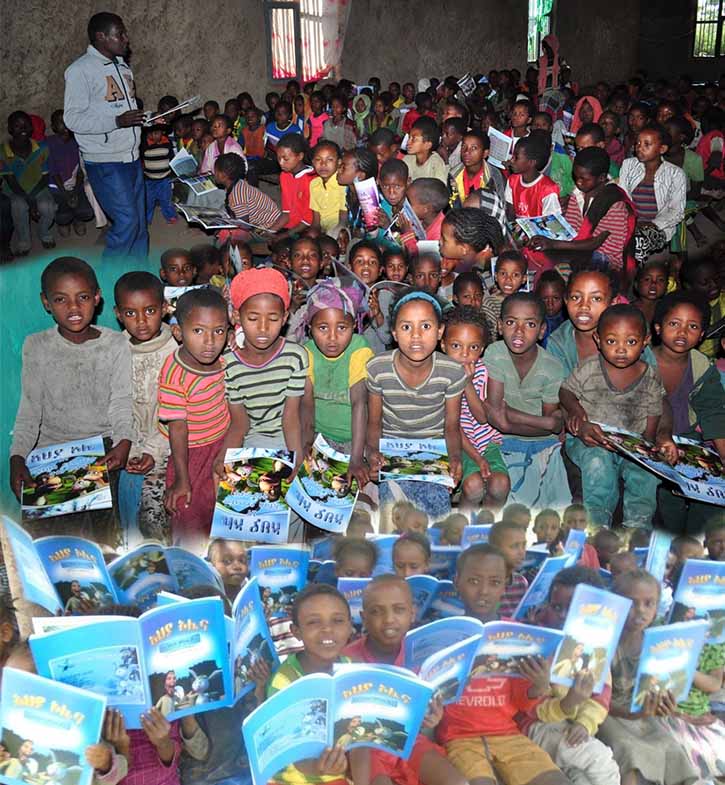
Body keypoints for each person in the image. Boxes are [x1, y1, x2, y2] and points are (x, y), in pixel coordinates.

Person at [10, 256, 132, 545]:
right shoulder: (36, 346)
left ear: (97, 298)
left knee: (97, 538)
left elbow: (122, 401)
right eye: (61, 299)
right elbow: (29, 410)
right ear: (46, 302)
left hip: (101, 449)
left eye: (83, 297)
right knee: (45, 542)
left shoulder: (116, 344)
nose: (74, 308)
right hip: (49, 453)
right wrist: (17, 458)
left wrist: (124, 441)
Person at [440, 543, 568, 785]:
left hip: (508, 734)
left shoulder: (518, 636)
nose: (484, 591)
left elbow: (523, 702)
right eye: (474, 581)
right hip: (459, 738)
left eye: (495, 582)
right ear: (457, 581)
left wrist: (539, 686)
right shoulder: (443, 635)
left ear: (506, 584)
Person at [560, 304, 677, 529]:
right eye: (612, 341)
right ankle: (597, 523)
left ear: (645, 341)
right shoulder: (589, 368)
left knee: (646, 474)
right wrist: (576, 412)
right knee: (598, 464)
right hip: (591, 441)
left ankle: (637, 525)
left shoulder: (650, 377)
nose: (621, 349)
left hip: (630, 444)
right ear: (598, 339)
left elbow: (655, 413)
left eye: (631, 342)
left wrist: (652, 445)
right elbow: (565, 392)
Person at [343, 575, 468, 785]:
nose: (389, 619)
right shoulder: (348, 658)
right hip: (366, 748)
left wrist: (433, 718)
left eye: (398, 609)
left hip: (410, 740)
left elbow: (430, 709)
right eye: (376, 611)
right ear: (363, 618)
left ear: (412, 613)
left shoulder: (424, 658)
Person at [366, 291, 467, 523]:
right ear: (393, 333)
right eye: (406, 327)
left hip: (434, 453)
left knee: (436, 521)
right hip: (392, 453)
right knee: (394, 518)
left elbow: (451, 426)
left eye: (425, 326)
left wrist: (454, 458)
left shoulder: (451, 372)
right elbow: (374, 422)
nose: (416, 336)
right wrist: (372, 453)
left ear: (440, 331)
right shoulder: (378, 368)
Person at [520, 566, 620, 785]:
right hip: (538, 726)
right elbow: (532, 707)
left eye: (575, 609)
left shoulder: (595, 647)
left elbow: (600, 699)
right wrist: (567, 702)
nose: (564, 615)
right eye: (557, 607)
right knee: (600, 759)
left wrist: (585, 723)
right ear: (547, 605)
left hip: (574, 729)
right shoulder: (537, 643)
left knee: (580, 778)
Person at [598, 570, 698, 785]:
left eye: (649, 603)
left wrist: (665, 703)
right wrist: (632, 714)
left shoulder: (657, 645)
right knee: (626, 747)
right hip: (607, 713)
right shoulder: (604, 643)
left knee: (670, 745)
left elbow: (660, 687)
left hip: (642, 713)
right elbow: (597, 700)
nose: (640, 611)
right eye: (631, 603)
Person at [63, 12, 148, 258]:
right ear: (101, 37)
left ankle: (140, 281)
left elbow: (124, 111)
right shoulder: (80, 70)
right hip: (106, 160)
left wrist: (148, 117)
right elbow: (73, 118)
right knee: (127, 222)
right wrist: (116, 122)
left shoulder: (122, 67)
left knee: (140, 225)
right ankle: (110, 280)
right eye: (119, 34)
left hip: (131, 156)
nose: (126, 38)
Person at [214, 267, 307, 486]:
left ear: (285, 318)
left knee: (287, 496)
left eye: (273, 318)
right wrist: (224, 456)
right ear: (237, 316)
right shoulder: (229, 363)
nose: (263, 328)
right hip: (252, 439)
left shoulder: (295, 356)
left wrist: (296, 456)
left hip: (289, 437)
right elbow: (239, 423)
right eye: (253, 318)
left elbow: (291, 418)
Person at [483, 293, 570, 510]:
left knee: (553, 504)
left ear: (542, 331)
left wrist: (511, 421)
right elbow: (495, 413)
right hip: (499, 440)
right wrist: (545, 422)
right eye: (511, 322)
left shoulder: (552, 366)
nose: (519, 331)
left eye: (530, 324)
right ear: (500, 326)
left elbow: (551, 431)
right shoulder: (494, 353)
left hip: (540, 443)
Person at [158, 288, 230, 550]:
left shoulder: (226, 360)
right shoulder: (174, 372)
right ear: (178, 333)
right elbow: (178, 428)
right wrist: (182, 478)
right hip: (189, 452)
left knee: (223, 513)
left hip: (224, 444)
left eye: (218, 331)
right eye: (198, 331)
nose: (209, 342)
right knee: (187, 511)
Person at [651, 292, 725, 531]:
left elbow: (713, 413)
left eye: (692, 326)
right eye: (674, 324)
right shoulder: (639, 361)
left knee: (711, 498)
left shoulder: (703, 368)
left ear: (702, 335)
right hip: (647, 438)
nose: (682, 332)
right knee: (665, 499)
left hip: (688, 441)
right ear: (658, 328)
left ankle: (693, 546)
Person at [265, 584, 352, 785]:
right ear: (296, 631)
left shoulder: (352, 670)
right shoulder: (285, 682)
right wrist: (321, 768)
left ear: (349, 626)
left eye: (337, 621)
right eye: (313, 622)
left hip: (338, 775)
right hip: (292, 779)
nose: (327, 629)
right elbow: (292, 754)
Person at [114, 271, 176, 547]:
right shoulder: (114, 351)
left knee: (153, 517)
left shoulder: (178, 349)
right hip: (129, 447)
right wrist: (125, 447)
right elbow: (116, 407)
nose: (140, 321)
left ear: (164, 308)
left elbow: (176, 413)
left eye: (150, 310)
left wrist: (152, 451)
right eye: (130, 313)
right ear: (118, 314)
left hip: (168, 447)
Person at [529, 148, 637, 284]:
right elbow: (571, 231)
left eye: (584, 179)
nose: (578, 182)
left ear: (602, 178)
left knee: (557, 266)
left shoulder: (614, 202)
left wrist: (553, 243)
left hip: (606, 258)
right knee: (535, 252)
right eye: (576, 177)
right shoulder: (577, 194)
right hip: (580, 249)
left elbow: (594, 243)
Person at [441, 306, 511, 513]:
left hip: (487, 441)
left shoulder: (482, 371)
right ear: (443, 345)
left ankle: (488, 529)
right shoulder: (440, 375)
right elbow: (452, 427)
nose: (464, 354)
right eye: (456, 345)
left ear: (481, 349)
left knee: (500, 485)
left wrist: (467, 383)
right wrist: (477, 458)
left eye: (473, 347)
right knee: (473, 486)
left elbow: (482, 417)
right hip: (458, 444)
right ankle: (461, 528)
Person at [303, 280, 373, 486]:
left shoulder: (359, 349)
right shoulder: (307, 352)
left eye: (342, 327)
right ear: (309, 327)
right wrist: (306, 443)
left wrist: (356, 458)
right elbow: (307, 404)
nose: (332, 338)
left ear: (354, 326)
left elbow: (359, 404)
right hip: (320, 437)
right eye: (322, 328)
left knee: (361, 489)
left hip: (356, 438)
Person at [618, 125, 687, 264]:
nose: (639, 147)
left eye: (647, 144)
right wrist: (628, 222)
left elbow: (676, 211)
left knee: (637, 243)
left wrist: (651, 224)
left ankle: (634, 274)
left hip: (658, 227)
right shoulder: (628, 164)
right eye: (637, 143)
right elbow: (622, 197)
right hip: (630, 221)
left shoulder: (675, 174)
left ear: (662, 149)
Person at [1, 110, 57, 254]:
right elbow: (11, 181)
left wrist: (34, 199)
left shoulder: (41, 148)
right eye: (17, 126)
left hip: (38, 186)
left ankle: (43, 233)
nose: (23, 129)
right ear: (10, 129)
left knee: (47, 206)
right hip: (15, 190)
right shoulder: (3, 152)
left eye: (26, 125)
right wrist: (31, 203)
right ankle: (24, 240)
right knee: (19, 206)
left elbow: (45, 177)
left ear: (31, 128)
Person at [45, 109, 95, 237]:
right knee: (63, 215)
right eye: (61, 122)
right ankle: (64, 223)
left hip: (75, 185)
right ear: (53, 127)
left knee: (87, 212)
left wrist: (75, 190)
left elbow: (80, 171)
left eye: (68, 120)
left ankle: (77, 219)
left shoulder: (77, 141)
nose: (66, 125)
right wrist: (66, 194)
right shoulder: (49, 144)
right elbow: (53, 173)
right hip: (57, 187)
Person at [505, 131, 561, 221]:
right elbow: (510, 215)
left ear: (531, 162)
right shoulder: (512, 181)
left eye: (516, 157)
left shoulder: (548, 189)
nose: (511, 160)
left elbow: (551, 223)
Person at [482, 251, 528, 340]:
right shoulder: (490, 303)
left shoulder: (526, 303)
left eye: (515, 275)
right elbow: (489, 335)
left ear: (524, 279)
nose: (508, 279)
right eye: (503, 273)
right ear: (495, 276)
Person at [275, 133, 315, 236]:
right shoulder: (284, 175)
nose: (281, 163)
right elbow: (286, 213)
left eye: (286, 159)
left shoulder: (312, 180)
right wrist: (269, 231)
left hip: (307, 229)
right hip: (291, 228)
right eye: (278, 158)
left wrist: (285, 235)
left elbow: (308, 220)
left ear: (300, 156)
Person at [488, 520, 528, 616]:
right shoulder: (486, 584)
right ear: (495, 548)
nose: (522, 552)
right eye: (515, 546)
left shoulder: (521, 582)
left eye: (524, 545)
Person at [141, 124, 176, 225]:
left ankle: (170, 215)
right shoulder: (144, 144)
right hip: (149, 178)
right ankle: (146, 219)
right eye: (150, 133)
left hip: (165, 178)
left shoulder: (167, 142)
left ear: (163, 133)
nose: (153, 136)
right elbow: (140, 159)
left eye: (157, 133)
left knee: (166, 199)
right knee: (148, 201)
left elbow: (171, 158)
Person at [309, 140, 346, 235]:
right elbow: (316, 221)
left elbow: (343, 221)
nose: (323, 164)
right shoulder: (314, 184)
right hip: (323, 231)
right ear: (313, 162)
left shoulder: (342, 184)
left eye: (329, 160)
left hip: (339, 231)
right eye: (318, 160)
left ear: (339, 162)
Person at [403, 117, 448, 184]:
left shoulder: (436, 164)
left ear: (427, 145)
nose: (408, 142)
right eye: (409, 138)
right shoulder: (408, 159)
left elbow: (439, 189)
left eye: (414, 139)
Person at [207, 538, 249, 603]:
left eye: (242, 560)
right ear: (211, 564)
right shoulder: (204, 594)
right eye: (227, 561)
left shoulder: (250, 589)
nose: (237, 566)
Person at [632, 260, 669, 328]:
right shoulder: (629, 310)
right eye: (647, 279)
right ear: (636, 284)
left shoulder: (668, 310)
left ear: (667, 285)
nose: (653, 284)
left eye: (660, 280)